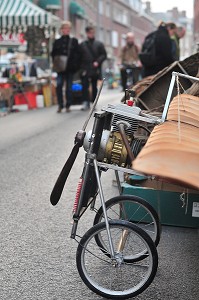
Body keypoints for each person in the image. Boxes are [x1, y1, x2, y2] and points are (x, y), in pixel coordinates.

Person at [51, 21, 79, 113]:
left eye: (67, 28)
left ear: (69, 30)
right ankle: (60, 105)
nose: (66, 30)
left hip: (70, 68)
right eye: (64, 28)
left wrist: (74, 65)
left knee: (69, 88)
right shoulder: (57, 42)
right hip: (60, 69)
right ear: (61, 30)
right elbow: (53, 54)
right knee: (59, 85)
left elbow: (77, 54)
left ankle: (68, 105)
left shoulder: (74, 41)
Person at [79, 26, 107, 110]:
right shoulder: (82, 44)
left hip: (95, 68)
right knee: (84, 85)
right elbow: (79, 57)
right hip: (85, 68)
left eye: (92, 32)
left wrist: (98, 62)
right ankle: (85, 102)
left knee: (94, 86)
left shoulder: (99, 44)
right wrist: (81, 68)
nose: (91, 34)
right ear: (87, 33)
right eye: (90, 32)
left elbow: (104, 55)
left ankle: (94, 102)